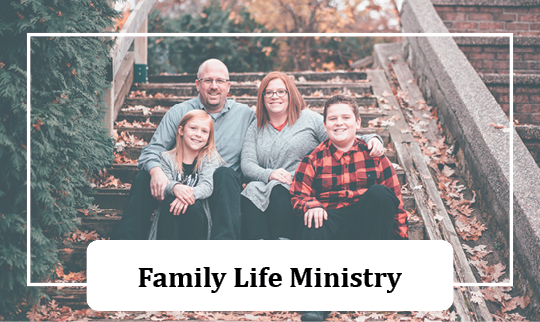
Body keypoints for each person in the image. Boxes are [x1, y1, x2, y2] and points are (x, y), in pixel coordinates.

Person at [290, 94, 409, 322]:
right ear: (325, 126)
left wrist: (401, 243)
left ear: (358, 123)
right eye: (332, 118)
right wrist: (311, 204)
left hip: (366, 228)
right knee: (313, 219)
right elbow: (297, 194)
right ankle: (317, 303)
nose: (339, 122)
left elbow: (397, 203)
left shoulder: (375, 156)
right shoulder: (313, 159)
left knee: (380, 194)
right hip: (331, 226)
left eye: (346, 117)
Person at [112, 59, 255, 240]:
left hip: (220, 193)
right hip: (177, 185)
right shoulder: (179, 112)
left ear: (228, 86)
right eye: (207, 80)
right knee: (145, 176)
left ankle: (225, 247)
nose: (214, 86)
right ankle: (125, 243)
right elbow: (152, 151)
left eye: (219, 81)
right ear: (197, 84)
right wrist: (157, 173)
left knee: (225, 173)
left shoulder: (245, 115)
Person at [240, 72, 385, 240]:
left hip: (301, 184)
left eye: (281, 91)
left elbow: (338, 134)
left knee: (278, 190)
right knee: (252, 190)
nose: (275, 96)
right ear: (262, 97)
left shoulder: (308, 119)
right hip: (266, 183)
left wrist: (370, 138)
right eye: (269, 92)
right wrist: (269, 174)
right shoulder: (255, 127)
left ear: (290, 94)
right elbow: (247, 164)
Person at [147, 110, 224, 240]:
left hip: (196, 217)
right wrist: (175, 188)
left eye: (204, 131)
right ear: (181, 130)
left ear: (209, 137)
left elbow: (207, 186)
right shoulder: (166, 158)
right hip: (171, 215)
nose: (198, 134)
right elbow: (164, 184)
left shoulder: (210, 158)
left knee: (193, 206)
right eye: (193, 128)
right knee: (170, 203)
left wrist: (186, 196)